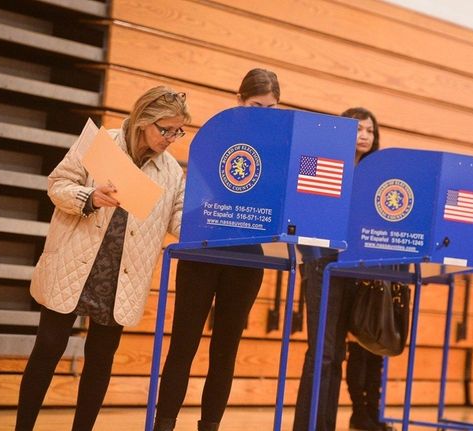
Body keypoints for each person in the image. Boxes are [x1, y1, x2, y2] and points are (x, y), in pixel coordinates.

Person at [15, 86, 190, 431]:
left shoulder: (172, 171)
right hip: (73, 262)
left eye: (178, 130)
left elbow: (179, 219)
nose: (171, 138)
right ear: (143, 121)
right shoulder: (102, 143)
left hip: (120, 276)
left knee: (99, 361)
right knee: (48, 348)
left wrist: (216, 225)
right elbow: (58, 184)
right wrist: (90, 196)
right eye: (165, 129)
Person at [153, 68, 281, 431]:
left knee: (225, 351)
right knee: (183, 344)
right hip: (203, 246)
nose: (263, 114)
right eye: (256, 105)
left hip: (246, 255)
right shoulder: (216, 134)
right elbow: (198, 194)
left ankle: (210, 425)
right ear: (239, 100)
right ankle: (164, 424)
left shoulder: (279, 148)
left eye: (271, 109)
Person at [293, 107, 391, 431]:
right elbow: (303, 205)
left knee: (338, 355)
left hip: (354, 267)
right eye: (358, 129)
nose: (364, 135)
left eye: (370, 131)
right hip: (322, 261)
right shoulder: (319, 162)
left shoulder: (378, 177)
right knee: (324, 352)